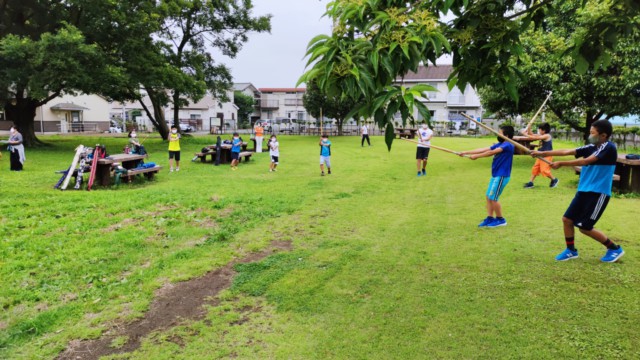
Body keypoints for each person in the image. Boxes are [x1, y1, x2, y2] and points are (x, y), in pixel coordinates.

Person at [531, 120, 624, 262]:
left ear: (603, 135)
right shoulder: (592, 146)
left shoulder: (608, 147)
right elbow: (567, 151)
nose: (590, 135)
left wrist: (561, 163)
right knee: (567, 219)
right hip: (584, 190)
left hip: (598, 193)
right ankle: (571, 250)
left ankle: (614, 248)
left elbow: (587, 161)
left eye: (593, 133)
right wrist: (542, 152)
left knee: (585, 227)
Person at [459, 125, 515, 228]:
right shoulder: (500, 144)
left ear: (506, 135)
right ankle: (490, 217)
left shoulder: (508, 145)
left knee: (493, 197)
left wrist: (477, 157)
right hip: (495, 175)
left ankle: (501, 219)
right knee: (488, 196)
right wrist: (465, 152)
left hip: (502, 175)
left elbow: (491, 152)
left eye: (500, 132)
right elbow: (484, 149)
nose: (498, 134)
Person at [523, 123, 559, 188]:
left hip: (547, 155)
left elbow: (535, 137)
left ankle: (554, 179)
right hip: (540, 154)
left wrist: (525, 134)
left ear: (544, 130)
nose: (539, 131)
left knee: (544, 170)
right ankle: (531, 182)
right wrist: (529, 127)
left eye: (539, 130)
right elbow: (532, 134)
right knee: (535, 168)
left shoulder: (547, 136)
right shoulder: (543, 135)